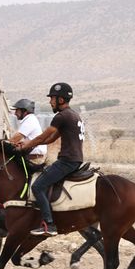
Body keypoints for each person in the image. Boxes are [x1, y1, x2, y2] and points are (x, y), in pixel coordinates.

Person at [15, 82, 84, 237]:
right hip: (75, 159)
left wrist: (25, 148)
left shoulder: (61, 116)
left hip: (67, 161)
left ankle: (49, 224)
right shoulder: (73, 115)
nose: (50, 102)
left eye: (52, 98)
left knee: (37, 187)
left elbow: (42, 137)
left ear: (60, 99)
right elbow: (50, 139)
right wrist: (28, 143)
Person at [8, 98, 47, 164]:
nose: (15, 113)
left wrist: (2, 144)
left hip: (34, 160)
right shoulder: (29, 119)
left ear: (25, 111)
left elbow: (16, 138)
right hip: (32, 157)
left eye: (17, 110)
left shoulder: (30, 120)